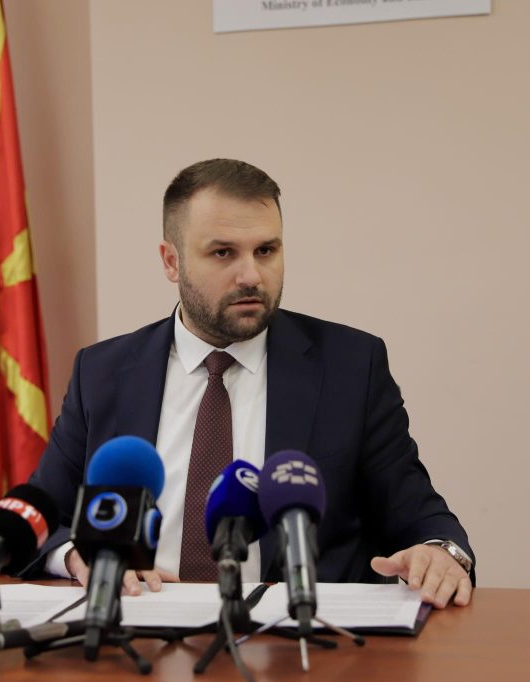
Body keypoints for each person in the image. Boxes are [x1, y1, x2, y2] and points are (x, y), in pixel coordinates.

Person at [27, 159, 475, 609]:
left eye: (266, 250)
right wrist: (78, 556)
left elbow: (420, 517)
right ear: (171, 261)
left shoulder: (351, 367)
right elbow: (41, 521)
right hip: (139, 626)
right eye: (223, 253)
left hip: (296, 634)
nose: (251, 276)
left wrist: (440, 553)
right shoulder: (103, 373)